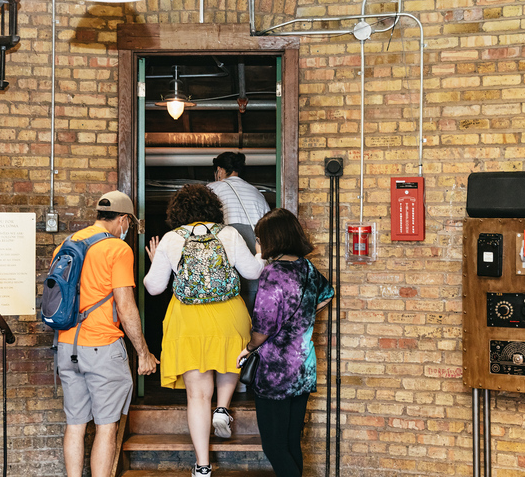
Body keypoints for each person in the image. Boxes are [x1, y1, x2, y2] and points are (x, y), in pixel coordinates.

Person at [144, 184, 264, 477]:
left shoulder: (172, 239)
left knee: (197, 395)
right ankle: (222, 408)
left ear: (177, 212)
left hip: (187, 320)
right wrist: (260, 253)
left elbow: (155, 287)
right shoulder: (229, 234)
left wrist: (154, 261)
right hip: (229, 314)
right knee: (228, 361)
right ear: (214, 208)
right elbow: (253, 272)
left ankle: (202, 465)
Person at [56, 190, 159, 477]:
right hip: (102, 348)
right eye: (129, 224)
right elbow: (125, 306)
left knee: (75, 425)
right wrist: (143, 353)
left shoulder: (67, 244)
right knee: (106, 427)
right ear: (124, 219)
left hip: (66, 345)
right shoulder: (118, 249)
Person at [236, 208, 334, 477]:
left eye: (259, 238)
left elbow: (263, 328)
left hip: (275, 372)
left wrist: (248, 349)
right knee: (291, 443)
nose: (257, 243)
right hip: (304, 367)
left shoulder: (273, 273)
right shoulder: (307, 267)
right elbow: (328, 294)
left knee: (274, 446)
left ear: (272, 239)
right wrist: (302, 317)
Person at [207, 151, 271, 313]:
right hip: (255, 265)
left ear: (220, 170)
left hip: (223, 268)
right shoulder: (257, 194)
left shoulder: (211, 190)